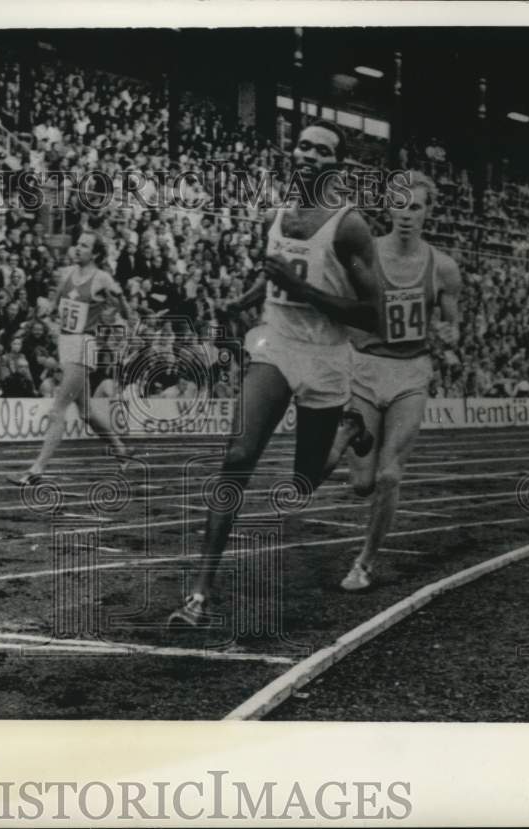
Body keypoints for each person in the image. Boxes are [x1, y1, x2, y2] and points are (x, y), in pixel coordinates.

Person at [168, 119, 381, 627]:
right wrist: (236, 303)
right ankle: (200, 593)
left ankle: (349, 428)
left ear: (337, 164)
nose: (308, 155)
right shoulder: (281, 212)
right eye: (303, 146)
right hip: (276, 343)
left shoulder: (350, 226)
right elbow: (273, 277)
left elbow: (373, 313)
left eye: (321, 151)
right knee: (238, 455)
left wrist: (300, 288)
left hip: (326, 358)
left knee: (302, 483)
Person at [323, 171, 462, 590]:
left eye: (415, 206)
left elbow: (451, 324)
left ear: (428, 213)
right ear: (388, 207)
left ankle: (363, 563)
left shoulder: (444, 268)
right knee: (362, 484)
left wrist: (449, 335)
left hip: (410, 374)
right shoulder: (364, 258)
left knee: (389, 476)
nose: (406, 214)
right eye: (399, 204)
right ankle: (354, 433)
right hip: (365, 370)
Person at [8, 231, 137, 485]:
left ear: (96, 254)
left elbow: (126, 312)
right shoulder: (66, 273)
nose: (77, 248)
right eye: (77, 244)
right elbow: (54, 307)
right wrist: (43, 309)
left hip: (84, 344)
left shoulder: (102, 278)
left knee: (57, 411)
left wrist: (120, 297)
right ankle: (121, 450)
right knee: (86, 411)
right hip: (65, 342)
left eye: (84, 246)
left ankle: (36, 470)